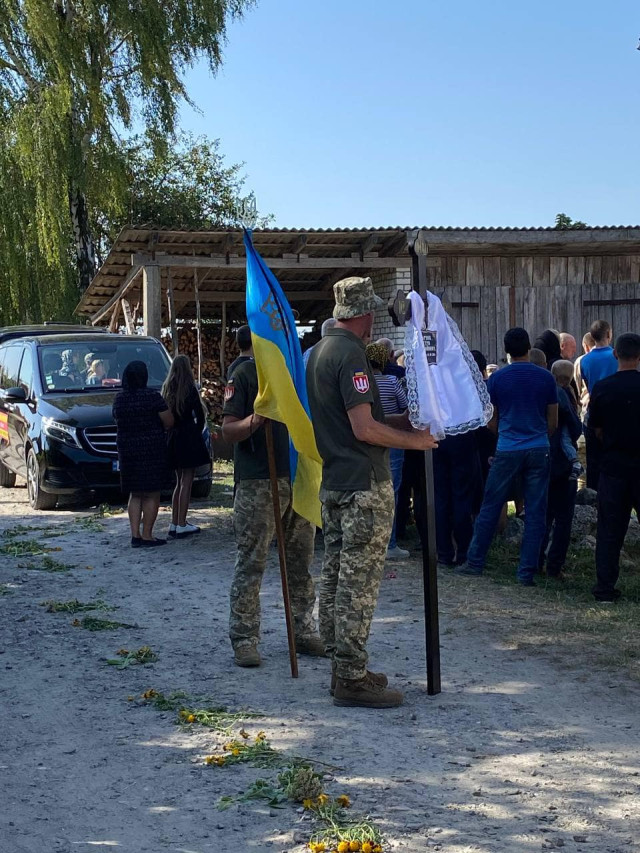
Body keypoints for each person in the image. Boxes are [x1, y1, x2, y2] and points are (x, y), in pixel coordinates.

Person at [307, 276, 438, 708]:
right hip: (364, 484)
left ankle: (341, 666)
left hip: (335, 482)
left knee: (336, 576)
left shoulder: (320, 351)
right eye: (374, 311)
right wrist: (416, 441)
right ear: (364, 313)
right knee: (358, 583)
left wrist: (406, 423)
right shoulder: (351, 355)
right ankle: (351, 676)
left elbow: (356, 420)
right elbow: (364, 429)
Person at [222, 354, 323, 668]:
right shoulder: (246, 374)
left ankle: (303, 630)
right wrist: (256, 420)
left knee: (301, 561)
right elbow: (228, 430)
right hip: (259, 481)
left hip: (298, 475)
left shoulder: (298, 372)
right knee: (252, 562)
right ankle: (244, 638)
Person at [456, 328, 558, 586]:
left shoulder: (498, 379)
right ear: (529, 348)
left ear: (506, 351)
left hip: (508, 446)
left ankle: (475, 561)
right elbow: (553, 420)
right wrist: (539, 435)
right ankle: (526, 572)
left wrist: (504, 433)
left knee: (491, 504)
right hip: (538, 446)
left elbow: (490, 419)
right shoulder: (546, 378)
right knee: (535, 511)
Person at [588, 333, 640, 602]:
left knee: (609, 530)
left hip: (613, 466)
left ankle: (605, 587)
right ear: (639, 357)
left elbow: (595, 428)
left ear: (616, 354)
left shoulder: (602, 388)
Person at [113, 361, 174, 548]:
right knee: (152, 493)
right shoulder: (153, 397)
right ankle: (147, 535)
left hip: (128, 449)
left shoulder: (119, 398)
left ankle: (135, 535)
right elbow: (169, 421)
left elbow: (116, 418)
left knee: (135, 493)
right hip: (152, 450)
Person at [365, 342, 410, 560]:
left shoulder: (364, 384)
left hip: (370, 441)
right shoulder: (392, 381)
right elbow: (406, 407)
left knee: (370, 489)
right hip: (393, 441)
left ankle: (370, 539)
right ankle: (389, 543)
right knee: (392, 490)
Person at [539, 365, 583, 578]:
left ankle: (535, 560)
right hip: (562, 464)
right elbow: (575, 427)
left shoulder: (540, 390)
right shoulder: (563, 394)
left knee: (542, 515)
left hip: (541, 459)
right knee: (563, 518)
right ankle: (554, 566)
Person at [162, 355, 210, 539]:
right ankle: (182, 523)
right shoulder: (189, 388)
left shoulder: (167, 388)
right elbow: (200, 414)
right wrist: (196, 432)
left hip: (173, 437)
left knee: (178, 481)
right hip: (188, 436)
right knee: (187, 482)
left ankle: (174, 522)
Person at [578, 320, 618, 490]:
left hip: (594, 412)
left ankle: (593, 495)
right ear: (609, 334)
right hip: (615, 412)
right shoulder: (616, 356)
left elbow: (586, 385)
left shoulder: (584, 361)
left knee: (593, 461)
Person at [551, 360, 583, 480]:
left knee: (565, 441)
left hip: (562, 426)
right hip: (567, 425)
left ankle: (575, 462)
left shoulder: (559, 391)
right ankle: (575, 462)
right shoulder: (569, 391)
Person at [574, 332, 595, 420]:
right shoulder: (613, 356)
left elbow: (577, 386)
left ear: (585, 346)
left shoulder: (580, 361)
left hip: (587, 403)